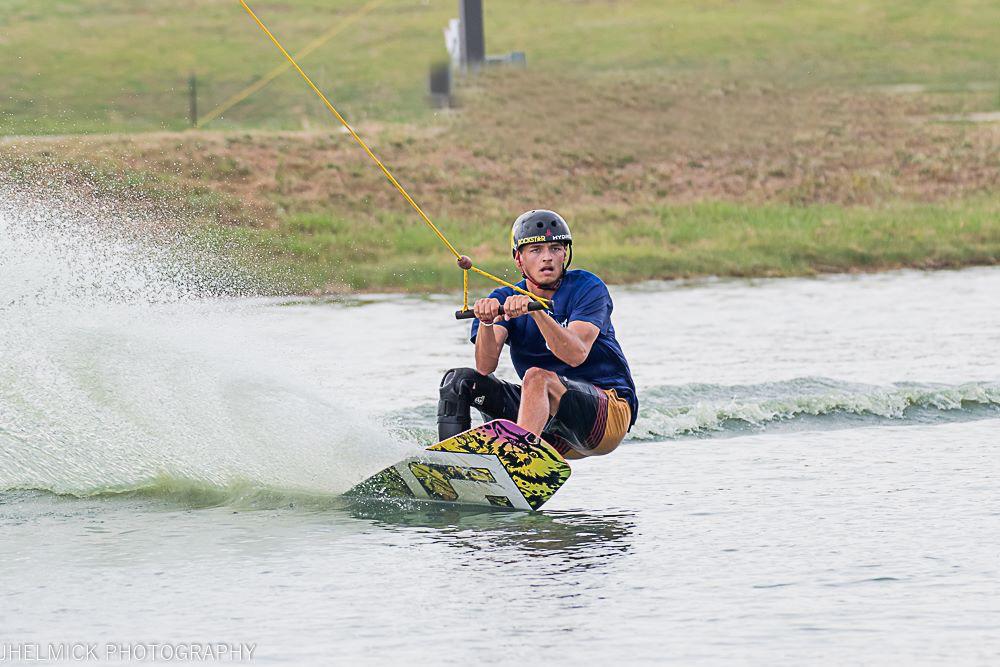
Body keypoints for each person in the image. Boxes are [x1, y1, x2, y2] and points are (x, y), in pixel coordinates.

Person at [437, 209, 638, 459]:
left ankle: (519, 459)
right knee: (459, 381)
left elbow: (575, 355)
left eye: (555, 248)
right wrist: (487, 323)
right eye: (536, 250)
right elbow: (485, 366)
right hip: (547, 427)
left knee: (537, 377)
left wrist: (537, 312)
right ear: (518, 259)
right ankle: (450, 461)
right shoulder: (503, 297)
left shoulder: (588, 288)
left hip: (604, 417)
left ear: (565, 254)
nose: (547, 258)